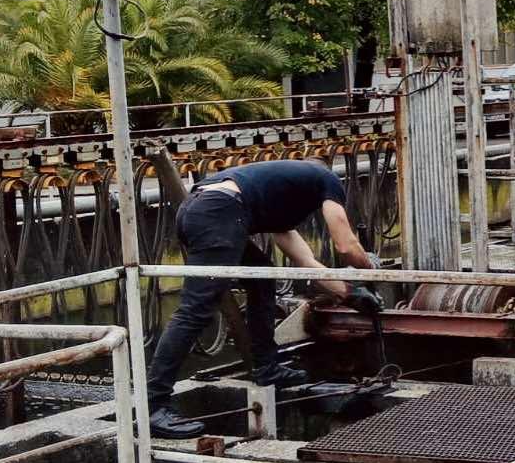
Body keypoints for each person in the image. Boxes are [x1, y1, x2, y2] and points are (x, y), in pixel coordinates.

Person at [147, 158, 383, 439]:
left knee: (262, 279)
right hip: (219, 212)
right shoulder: (327, 179)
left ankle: (267, 368)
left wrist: (350, 294)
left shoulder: (276, 205)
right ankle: (154, 406)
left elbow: (306, 262)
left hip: (198, 208)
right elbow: (346, 245)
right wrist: (369, 268)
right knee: (194, 311)